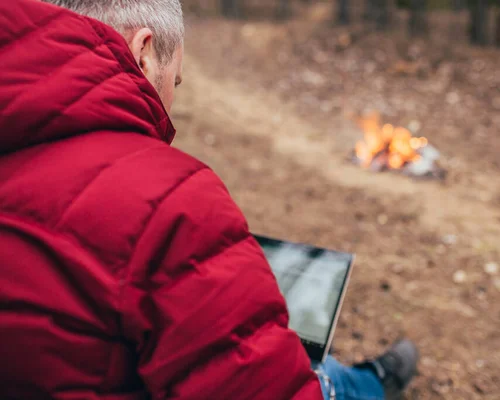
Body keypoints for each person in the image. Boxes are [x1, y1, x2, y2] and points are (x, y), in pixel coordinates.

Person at [0, 0, 418, 399]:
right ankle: (374, 380)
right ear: (143, 53)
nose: (172, 101)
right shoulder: (169, 199)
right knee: (322, 379)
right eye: (175, 80)